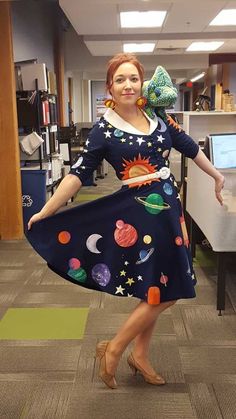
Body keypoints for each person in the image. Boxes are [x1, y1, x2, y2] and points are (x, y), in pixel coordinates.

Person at [27, 53, 225, 390]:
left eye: (133, 78)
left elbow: (189, 146)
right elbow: (78, 174)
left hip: (169, 213)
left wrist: (217, 176)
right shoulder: (104, 129)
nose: (128, 85)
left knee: (155, 287)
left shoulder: (158, 117)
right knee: (167, 292)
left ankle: (141, 355)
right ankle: (116, 348)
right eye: (120, 79)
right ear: (110, 87)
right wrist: (48, 209)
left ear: (141, 83)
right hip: (139, 216)